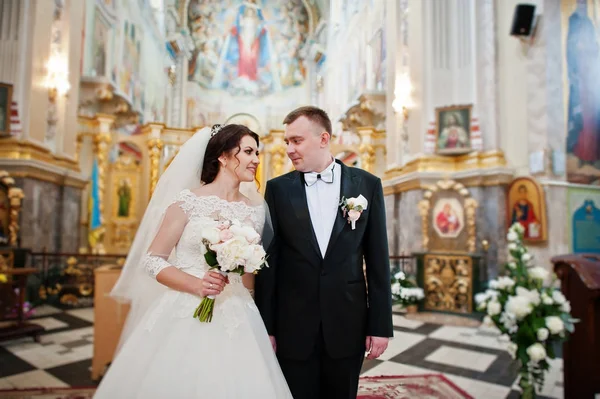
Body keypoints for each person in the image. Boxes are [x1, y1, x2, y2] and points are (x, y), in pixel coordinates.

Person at [94, 124, 292, 398]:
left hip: (238, 313)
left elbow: (249, 275)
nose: (257, 160)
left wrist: (256, 314)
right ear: (223, 156)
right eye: (248, 151)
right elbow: (152, 260)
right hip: (185, 309)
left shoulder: (256, 210)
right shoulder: (187, 202)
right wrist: (197, 284)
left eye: (257, 152)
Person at [255, 106, 393, 399]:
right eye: (287, 142)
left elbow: (378, 261)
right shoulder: (278, 190)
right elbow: (269, 263)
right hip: (292, 325)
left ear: (323, 139)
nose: (289, 149)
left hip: (347, 322)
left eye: (296, 140)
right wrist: (266, 326)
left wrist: (381, 325)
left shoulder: (366, 185)